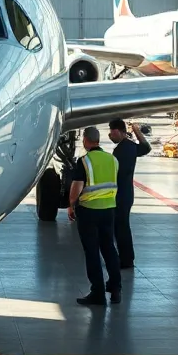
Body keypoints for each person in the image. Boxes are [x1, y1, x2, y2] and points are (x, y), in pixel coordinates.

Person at [67, 126, 122, 306]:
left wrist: (71, 205)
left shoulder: (85, 161)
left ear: (85, 139)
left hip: (89, 211)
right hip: (109, 210)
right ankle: (115, 288)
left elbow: (77, 186)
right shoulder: (112, 159)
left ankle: (97, 292)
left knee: (92, 252)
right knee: (109, 249)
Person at [107, 118, 152, 269]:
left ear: (117, 131)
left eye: (111, 132)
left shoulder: (122, 149)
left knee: (121, 228)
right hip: (126, 194)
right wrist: (137, 131)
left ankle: (126, 260)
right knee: (122, 227)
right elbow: (146, 148)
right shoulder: (131, 146)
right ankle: (127, 257)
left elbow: (117, 174)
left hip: (120, 194)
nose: (110, 136)